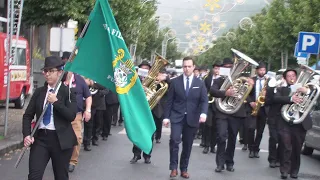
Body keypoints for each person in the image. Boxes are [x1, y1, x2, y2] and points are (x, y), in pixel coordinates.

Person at [22, 56, 77, 180]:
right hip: (41, 139)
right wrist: (27, 134)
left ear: (59, 72)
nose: (47, 74)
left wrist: (56, 102)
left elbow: (71, 116)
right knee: (34, 176)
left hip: (61, 141)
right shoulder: (39, 92)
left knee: (61, 176)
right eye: (45, 71)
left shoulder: (68, 92)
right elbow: (27, 116)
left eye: (51, 71)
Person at [163, 56, 208, 179]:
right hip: (177, 116)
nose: (187, 69)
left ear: (194, 67)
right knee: (174, 140)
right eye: (184, 66)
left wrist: (203, 113)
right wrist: (166, 117)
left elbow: (204, 100)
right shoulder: (175, 81)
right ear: (182, 67)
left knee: (188, 145)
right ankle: (173, 168)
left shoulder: (200, 83)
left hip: (192, 118)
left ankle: (184, 169)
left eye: (189, 66)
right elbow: (169, 101)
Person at [210, 58, 252, 172]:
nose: (229, 69)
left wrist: (249, 87)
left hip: (236, 113)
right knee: (222, 137)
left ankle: (229, 162)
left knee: (232, 138)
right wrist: (225, 93)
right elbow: (212, 91)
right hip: (222, 112)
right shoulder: (219, 80)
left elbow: (246, 94)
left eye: (231, 67)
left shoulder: (241, 81)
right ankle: (220, 163)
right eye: (226, 67)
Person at [269, 69, 313, 179]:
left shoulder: (306, 89)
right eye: (288, 76)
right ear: (285, 78)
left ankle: (294, 171)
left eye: (293, 75)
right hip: (285, 122)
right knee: (285, 146)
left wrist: (307, 92)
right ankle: (284, 170)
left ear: (297, 76)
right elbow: (274, 98)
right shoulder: (281, 89)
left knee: (297, 148)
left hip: (300, 122)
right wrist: (291, 98)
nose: (291, 77)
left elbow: (315, 95)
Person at [246, 62, 269, 158]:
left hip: (263, 109)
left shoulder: (269, 81)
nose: (262, 72)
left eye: (264, 70)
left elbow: (272, 95)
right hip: (253, 107)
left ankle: (256, 149)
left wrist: (266, 94)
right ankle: (251, 148)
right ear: (257, 70)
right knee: (251, 129)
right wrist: (251, 102)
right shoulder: (252, 80)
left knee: (260, 131)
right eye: (260, 70)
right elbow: (246, 92)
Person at [202, 63, 220, 154]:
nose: (217, 70)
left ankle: (213, 146)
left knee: (215, 127)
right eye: (215, 68)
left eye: (218, 69)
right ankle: (206, 145)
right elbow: (203, 89)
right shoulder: (207, 78)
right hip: (209, 104)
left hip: (218, 105)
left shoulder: (223, 79)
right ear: (213, 69)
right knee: (208, 125)